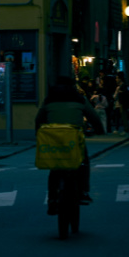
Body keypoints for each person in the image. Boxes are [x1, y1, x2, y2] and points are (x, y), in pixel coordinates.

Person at [35, 75, 103, 203]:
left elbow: (39, 119)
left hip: (54, 141)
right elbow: (94, 117)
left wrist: (38, 133)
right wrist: (99, 130)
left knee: (54, 168)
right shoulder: (79, 99)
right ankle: (83, 191)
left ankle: (52, 198)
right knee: (83, 162)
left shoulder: (49, 100)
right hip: (74, 139)